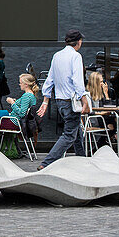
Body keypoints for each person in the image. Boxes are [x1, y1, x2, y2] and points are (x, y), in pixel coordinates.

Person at [37, 29, 90, 169]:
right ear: (78, 42)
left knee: (75, 130)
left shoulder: (57, 55)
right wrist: (84, 100)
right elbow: (78, 81)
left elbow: (49, 80)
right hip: (70, 101)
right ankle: (46, 163)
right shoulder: (76, 56)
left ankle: (82, 160)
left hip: (59, 101)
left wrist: (45, 101)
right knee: (69, 135)